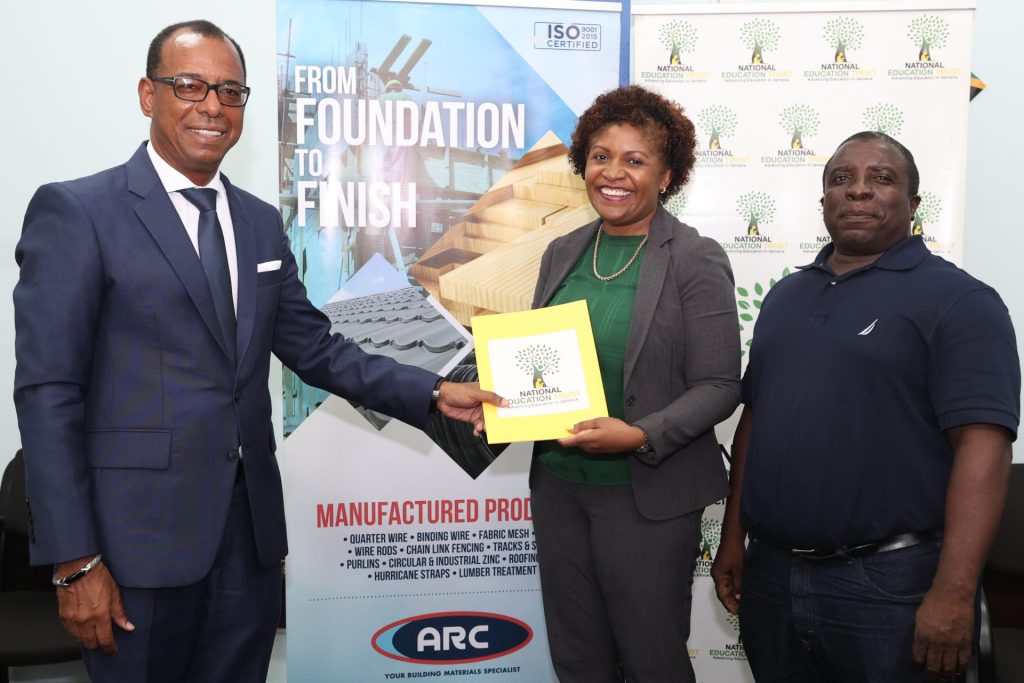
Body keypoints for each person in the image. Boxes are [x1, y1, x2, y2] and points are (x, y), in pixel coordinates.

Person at [13, 20, 502, 682]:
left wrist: (433, 391)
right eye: (188, 85)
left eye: (229, 90)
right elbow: (49, 394)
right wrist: (75, 559)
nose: (211, 105)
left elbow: (316, 347)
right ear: (146, 93)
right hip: (136, 550)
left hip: (248, 544)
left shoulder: (258, 222)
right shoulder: (79, 212)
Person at [711, 131, 1020, 682]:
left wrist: (953, 594)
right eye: (841, 179)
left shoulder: (960, 301)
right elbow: (755, 423)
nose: (857, 191)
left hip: (892, 586)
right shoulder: (785, 298)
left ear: (914, 204)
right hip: (773, 577)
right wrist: (733, 537)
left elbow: (985, 449)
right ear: (823, 200)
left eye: (880, 179)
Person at [529, 85, 741, 682]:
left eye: (634, 159)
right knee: (578, 659)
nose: (613, 173)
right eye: (600, 156)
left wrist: (640, 434)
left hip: (646, 497)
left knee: (652, 659)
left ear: (666, 175)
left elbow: (721, 383)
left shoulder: (695, 257)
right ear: (583, 165)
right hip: (560, 491)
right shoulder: (562, 252)